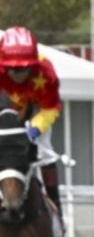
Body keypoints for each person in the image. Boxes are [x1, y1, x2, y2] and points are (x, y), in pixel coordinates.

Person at [0, 25, 63, 218]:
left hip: (34, 113)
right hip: (3, 111)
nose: (18, 74)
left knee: (45, 153)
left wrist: (36, 128)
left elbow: (51, 107)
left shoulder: (47, 73)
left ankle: (57, 211)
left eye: (24, 68)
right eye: (13, 69)